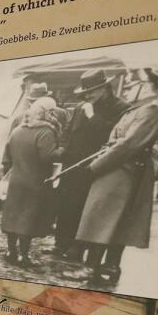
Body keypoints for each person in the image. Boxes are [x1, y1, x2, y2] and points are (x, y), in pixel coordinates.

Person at [75, 70, 158, 287]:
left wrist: (94, 167)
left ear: (147, 86)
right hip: (114, 172)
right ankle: (95, 268)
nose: (128, 87)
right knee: (101, 219)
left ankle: (105, 267)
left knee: (114, 222)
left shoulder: (153, 111)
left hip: (125, 174)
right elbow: (116, 142)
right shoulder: (137, 110)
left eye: (134, 83)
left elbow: (127, 145)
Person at [53, 69, 130, 259]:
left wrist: (93, 116)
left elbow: (114, 136)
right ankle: (61, 243)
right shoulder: (82, 106)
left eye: (92, 91)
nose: (88, 96)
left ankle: (77, 247)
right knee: (66, 204)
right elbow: (68, 132)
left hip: (95, 165)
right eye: (85, 92)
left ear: (105, 88)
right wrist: (62, 149)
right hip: (72, 164)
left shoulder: (121, 108)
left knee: (85, 206)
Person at [0, 98, 65, 266]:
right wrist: (62, 150)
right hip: (35, 181)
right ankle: (23, 255)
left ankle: (10, 251)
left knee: (13, 216)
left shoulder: (17, 131)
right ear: (47, 113)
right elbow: (47, 157)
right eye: (52, 112)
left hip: (16, 180)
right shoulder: (45, 132)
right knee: (27, 217)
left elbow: (6, 158)